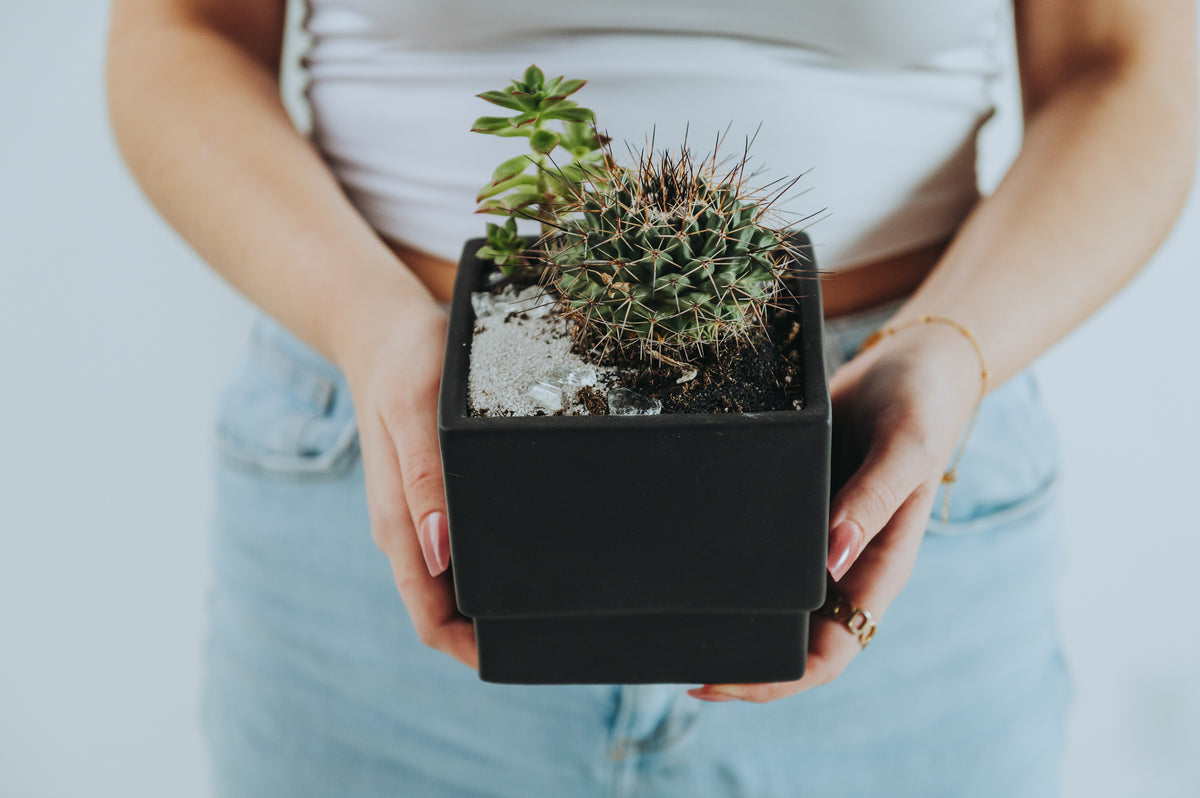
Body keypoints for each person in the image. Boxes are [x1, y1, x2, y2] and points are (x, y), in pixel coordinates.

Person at [105, 0, 1196, 795]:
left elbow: (1125, 64)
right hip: (376, 471)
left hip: (901, 478)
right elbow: (180, 31)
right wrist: (371, 323)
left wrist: (952, 351)